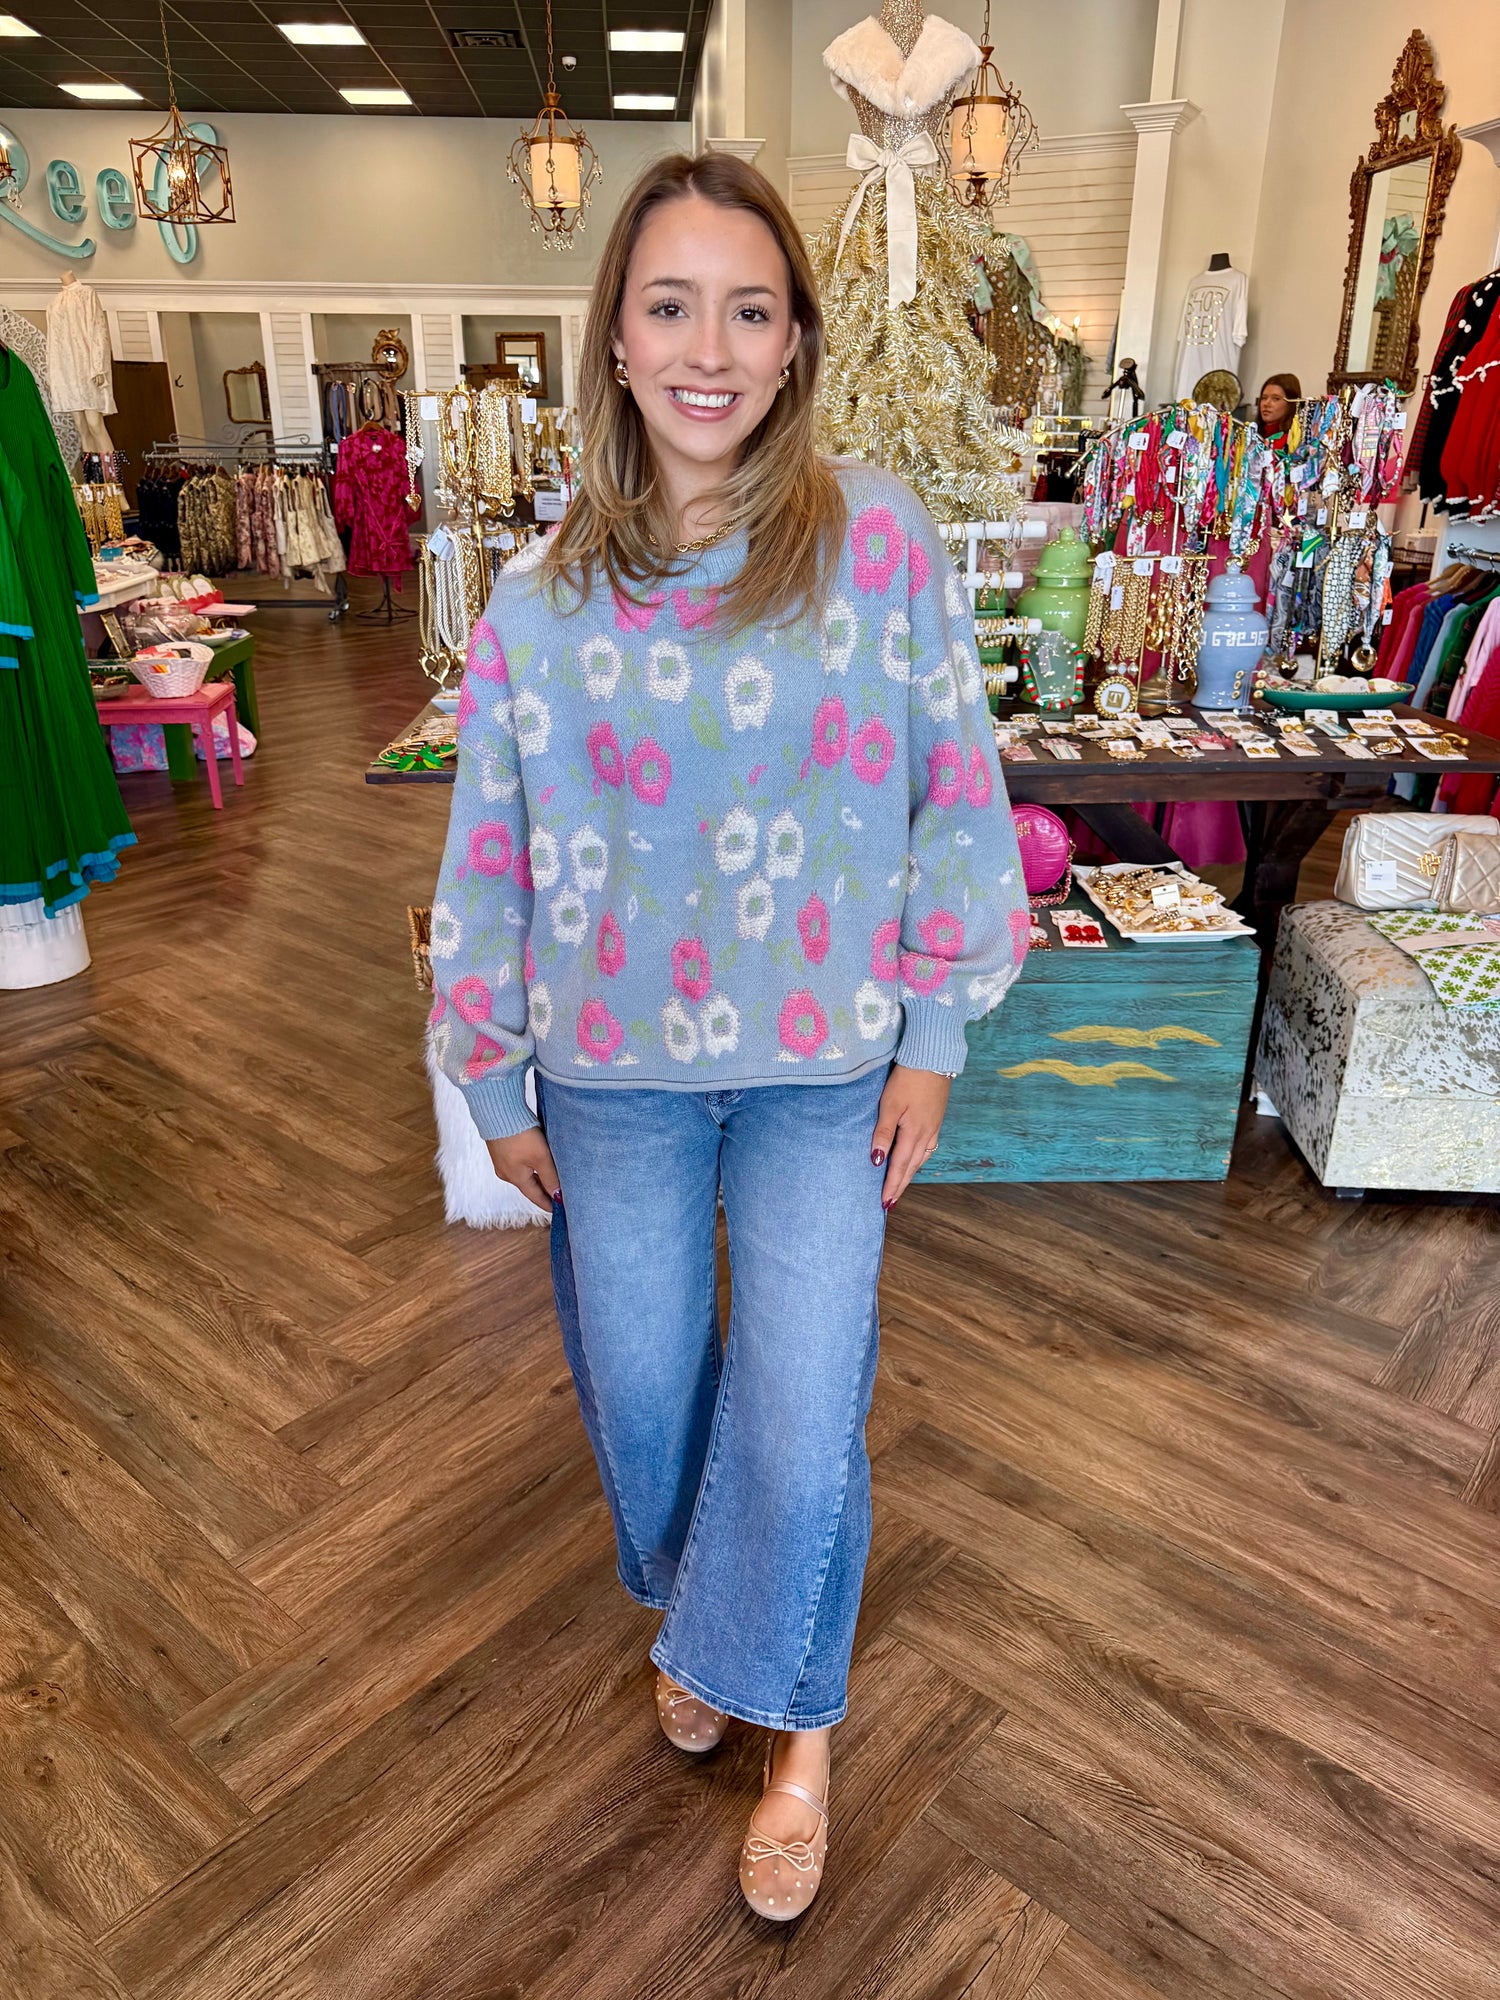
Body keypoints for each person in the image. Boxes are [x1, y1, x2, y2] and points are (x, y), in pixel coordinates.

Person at [428, 151, 1027, 1922]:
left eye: (749, 311)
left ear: (794, 343)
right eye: (672, 308)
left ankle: (797, 1732)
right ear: (615, 339)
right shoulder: (537, 604)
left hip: (824, 1069)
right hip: (608, 1078)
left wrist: (935, 1031)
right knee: (645, 1392)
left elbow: (955, 788)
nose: (710, 350)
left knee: (800, 1402)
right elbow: (485, 853)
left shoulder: (880, 544)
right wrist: (487, 1072)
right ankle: (710, 1619)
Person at [1256, 372, 1302, 450]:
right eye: (1264, 398)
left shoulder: (1293, 442)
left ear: (1291, 404)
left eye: (1276, 399)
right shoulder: (1250, 435)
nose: (1266, 404)